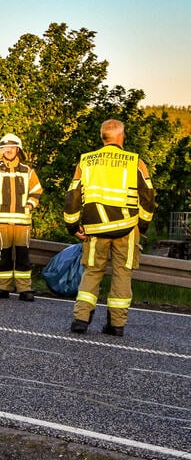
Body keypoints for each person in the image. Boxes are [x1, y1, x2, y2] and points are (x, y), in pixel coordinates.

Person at [63, 119, 155, 336]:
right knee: (123, 274)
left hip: (95, 229)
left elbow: (72, 196)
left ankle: (81, 320)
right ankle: (116, 325)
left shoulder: (86, 161)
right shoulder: (135, 162)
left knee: (92, 272)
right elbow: (148, 196)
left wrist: (72, 225)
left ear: (102, 137)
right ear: (121, 137)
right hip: (127, 228)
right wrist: (142, 225)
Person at [0, 133, 43, 301]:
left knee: (23, 254)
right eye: (5, 148)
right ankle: (3, 287)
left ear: (18, 149)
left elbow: (37, 190)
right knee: (5, 254)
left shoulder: (28, 170)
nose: (9, 151)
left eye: (12, 147)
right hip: (1, 220)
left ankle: (25, 289)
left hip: (22, 220)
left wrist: (30, 204)